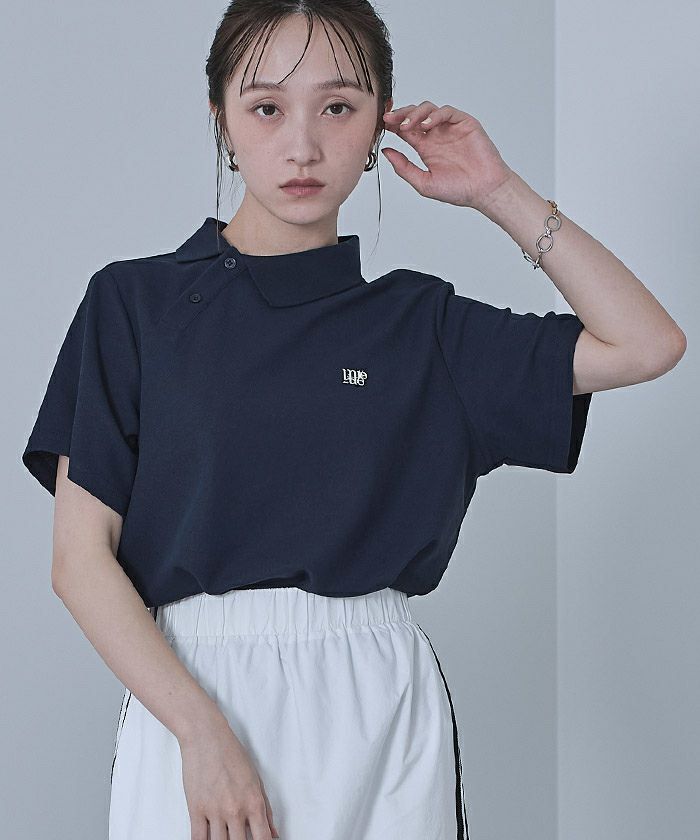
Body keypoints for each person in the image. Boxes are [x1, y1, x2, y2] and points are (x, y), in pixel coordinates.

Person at [21, 2, 686, 839]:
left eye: (338, 106)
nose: (303, 145)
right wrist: (200, 732)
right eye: (267, 107)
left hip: (378, 707)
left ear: (379, 125)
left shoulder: (421, 327)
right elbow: (80, 562)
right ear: (222, 120)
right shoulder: (134, 305)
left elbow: (647, 343)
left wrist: (497, 191)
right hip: (189, 693)